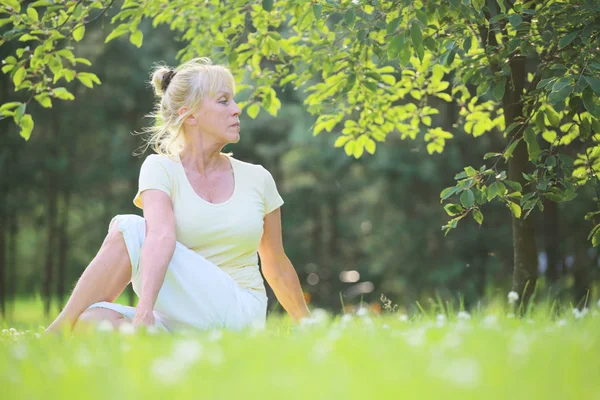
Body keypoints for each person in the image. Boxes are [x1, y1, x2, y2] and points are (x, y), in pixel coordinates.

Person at [45, 57, 311, 334]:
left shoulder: (258, 178)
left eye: (233, 100)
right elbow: (160, 236)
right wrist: (146, 314)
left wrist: (308, 326)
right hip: (179, 319)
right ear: (191, 115)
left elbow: (276, 263)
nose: (237, 109)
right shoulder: (160, 168)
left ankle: (54, 334)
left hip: (239, 313)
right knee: (94, 324)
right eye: (223, 101)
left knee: (130, 227)